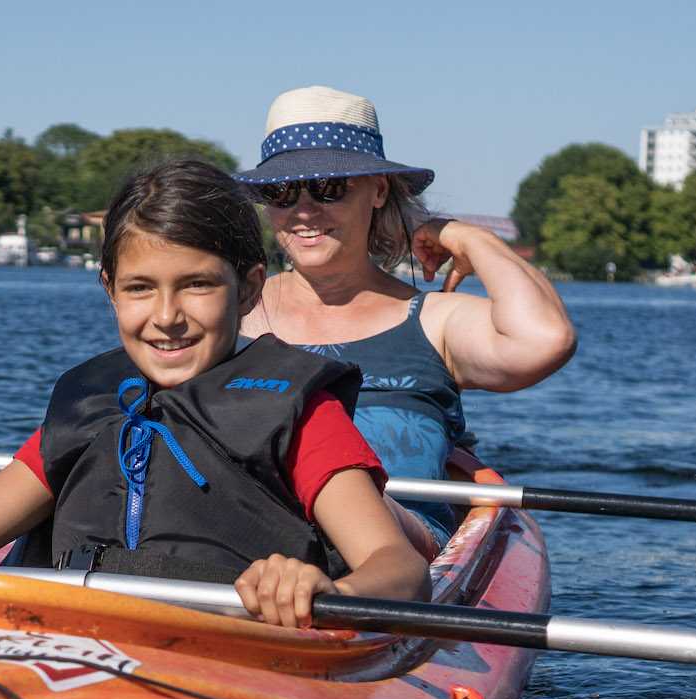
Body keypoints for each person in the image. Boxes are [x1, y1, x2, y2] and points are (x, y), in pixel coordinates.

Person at [0, 160, 429, 629]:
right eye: (140, 288)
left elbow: (399, 568)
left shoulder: (300, 413)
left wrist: (325, 590)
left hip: (232, 648)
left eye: (197, 285)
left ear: (248, 289)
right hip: (67, 636)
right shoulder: (88, 401)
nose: (167, 317)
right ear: (110, 290)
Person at [234, 86, 577, 560]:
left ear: (378, 191)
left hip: (401, 554)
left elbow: (547, 339)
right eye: (282, 191)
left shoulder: (435, 321)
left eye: (329, 187)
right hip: (249, 545)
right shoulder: (232, 310)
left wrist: (469, 238)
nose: (304, 210)